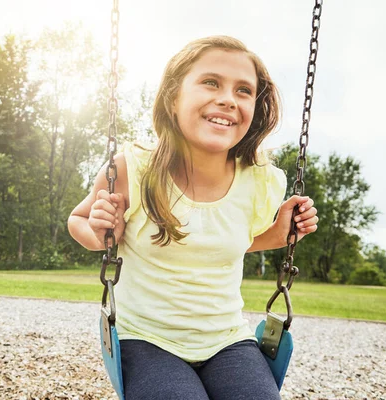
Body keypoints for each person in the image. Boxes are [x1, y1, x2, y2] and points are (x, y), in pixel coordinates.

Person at [67, 36, 318, 400]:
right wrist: (100, 233)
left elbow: (223, 244)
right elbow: (78, 219)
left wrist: (279, 235)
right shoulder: (132, 169)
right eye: (211, 82)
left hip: (227, 340)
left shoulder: (261, 181)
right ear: (173, 97)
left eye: (243, 90)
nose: (228, 99)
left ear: (255, 108)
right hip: (147, 339)